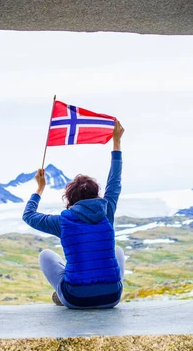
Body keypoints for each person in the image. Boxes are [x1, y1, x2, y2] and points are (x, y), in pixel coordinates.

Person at [22, 120, 126, 308]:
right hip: (112, 298)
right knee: (117, 251)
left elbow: (29, 215)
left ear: (70, 199)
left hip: (76, 299)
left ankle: (62, 294)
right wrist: (116, 142)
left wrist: (39, 188)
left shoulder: (63, 221)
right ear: (97, 194)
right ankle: (101, 288)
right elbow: (115, 181)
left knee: (46, 254)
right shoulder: (106, 210)